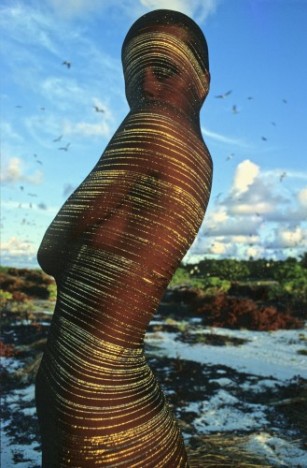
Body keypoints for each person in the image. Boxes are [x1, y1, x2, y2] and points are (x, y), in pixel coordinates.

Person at [36, 9, 212, 467]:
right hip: (119, 386)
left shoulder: (152, 126)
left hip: (94, 392)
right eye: (136, 80)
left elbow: (50, 249)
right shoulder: (201, 159)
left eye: (164, 70)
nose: (148, 88)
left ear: (202, 81)